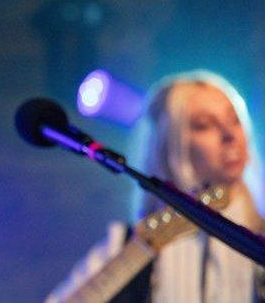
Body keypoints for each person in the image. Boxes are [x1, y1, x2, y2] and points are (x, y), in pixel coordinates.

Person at [48, 71, 264, 303]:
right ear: (170, 144)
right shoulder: (128, 246)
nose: (230, 135)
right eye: (204, 125)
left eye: (234, 119)